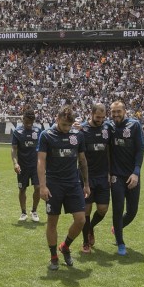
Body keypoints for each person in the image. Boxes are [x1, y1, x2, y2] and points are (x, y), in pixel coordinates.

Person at [38, 105, 91, 270]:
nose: (66, 128)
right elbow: (41, 161)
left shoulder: (78, 136)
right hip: (53, 184)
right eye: (63, 125)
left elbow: (82, 160)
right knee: (52, 221)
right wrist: (42, 186)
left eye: (69, 125)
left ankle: (65, 246)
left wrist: (86, 184)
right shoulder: (46, 136)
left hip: (73, 184)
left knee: (81, 220)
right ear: (57, 120)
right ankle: (54, 256)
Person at [108, 100, 144, 256]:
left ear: (125, 111)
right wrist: (80, 124)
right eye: (113, 112)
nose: (116, 114)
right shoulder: (108, 127)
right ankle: (120, 242)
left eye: (119, 111)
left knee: (132, 211)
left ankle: (117, 228)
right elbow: (92, 123)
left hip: (132, 176)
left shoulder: (134, 126)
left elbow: (140, 150)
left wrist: (136, 172)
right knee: (117, 209)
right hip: (116, 176)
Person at [80, 102, 111, 253]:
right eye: (98, 117)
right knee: (86, 210)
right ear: (91, 114)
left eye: (103, 117)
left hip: (103, 175)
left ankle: (91, 227)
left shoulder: (107, 128)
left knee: (103, 209)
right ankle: (85, 242)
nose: (100, 120)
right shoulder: (82, 129)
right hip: (87, 176)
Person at [11, 107, 42, 222]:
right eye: (27, 122)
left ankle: (34, 211)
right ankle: (23, 212)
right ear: (22, 119)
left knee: (38, 188)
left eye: (31, 122)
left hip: (35, 166)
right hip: (22, 166)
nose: (29, 124)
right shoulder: (17, 132)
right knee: (22, 189)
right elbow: (14, 149)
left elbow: (42, 149)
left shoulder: (38, 131)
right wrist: (15, 163)